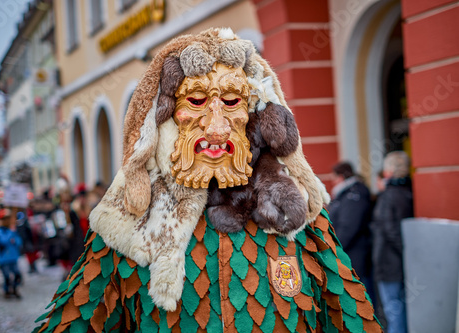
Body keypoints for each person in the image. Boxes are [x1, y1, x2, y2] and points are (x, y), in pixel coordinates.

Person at [35, 28, 382, 332]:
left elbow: (350, 314)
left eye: (231, 102)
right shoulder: (126, 223)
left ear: (254, 116)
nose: (216, 128)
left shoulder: (301, 214)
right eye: (197, 101)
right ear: (167, 116)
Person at [372, 151, 413, 333]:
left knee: (392, 309)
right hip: (401, 261)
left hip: (388, 262)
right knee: (400, 308)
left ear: (389, 172)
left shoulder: (388, 196)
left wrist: (403, 251)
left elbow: (390, 230)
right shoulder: (408, 191)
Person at [328, 162, 374, 300]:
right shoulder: (346, 194)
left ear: (341, 177)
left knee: (360, 296)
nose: (332, 181)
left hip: (355, 254)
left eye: (334, 177)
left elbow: (348, 227)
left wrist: (334, 249)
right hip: (348, 254)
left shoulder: (354, 195)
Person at [0, 208, 23, 298]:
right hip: (3, 258)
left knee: (17, 274)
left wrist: (14, 238)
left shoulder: (12, 230)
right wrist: (11, 233)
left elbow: (19, 242)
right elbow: (3, 241)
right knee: (7, 276)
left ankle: (15, 289)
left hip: (13, 256)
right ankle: (6, 291)